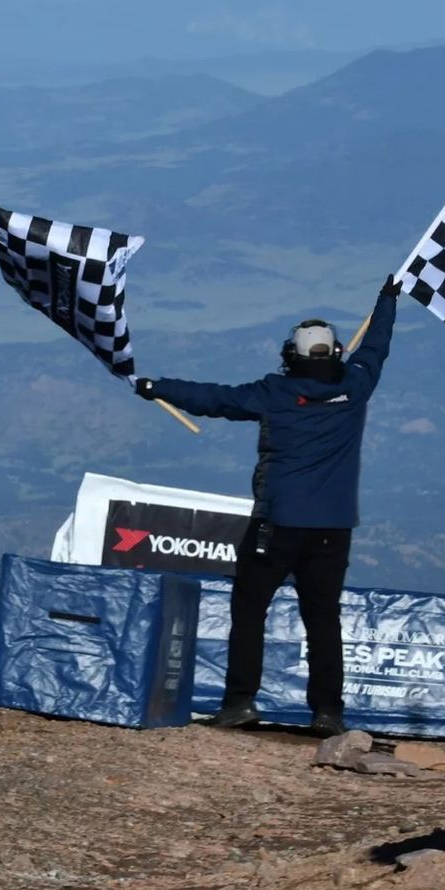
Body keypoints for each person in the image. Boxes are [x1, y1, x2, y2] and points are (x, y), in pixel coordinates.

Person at [134, 277, 400, 736]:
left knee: (250, 609)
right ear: (336, 353)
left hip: (276, 525)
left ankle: (240, 702)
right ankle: (328, 713)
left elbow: (215, 398)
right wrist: (388, 300)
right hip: (333, 529)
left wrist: (156, 386)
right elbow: (376, 347)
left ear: (289, 355)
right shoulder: (356, 387)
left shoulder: (275, 393)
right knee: (322, 619)